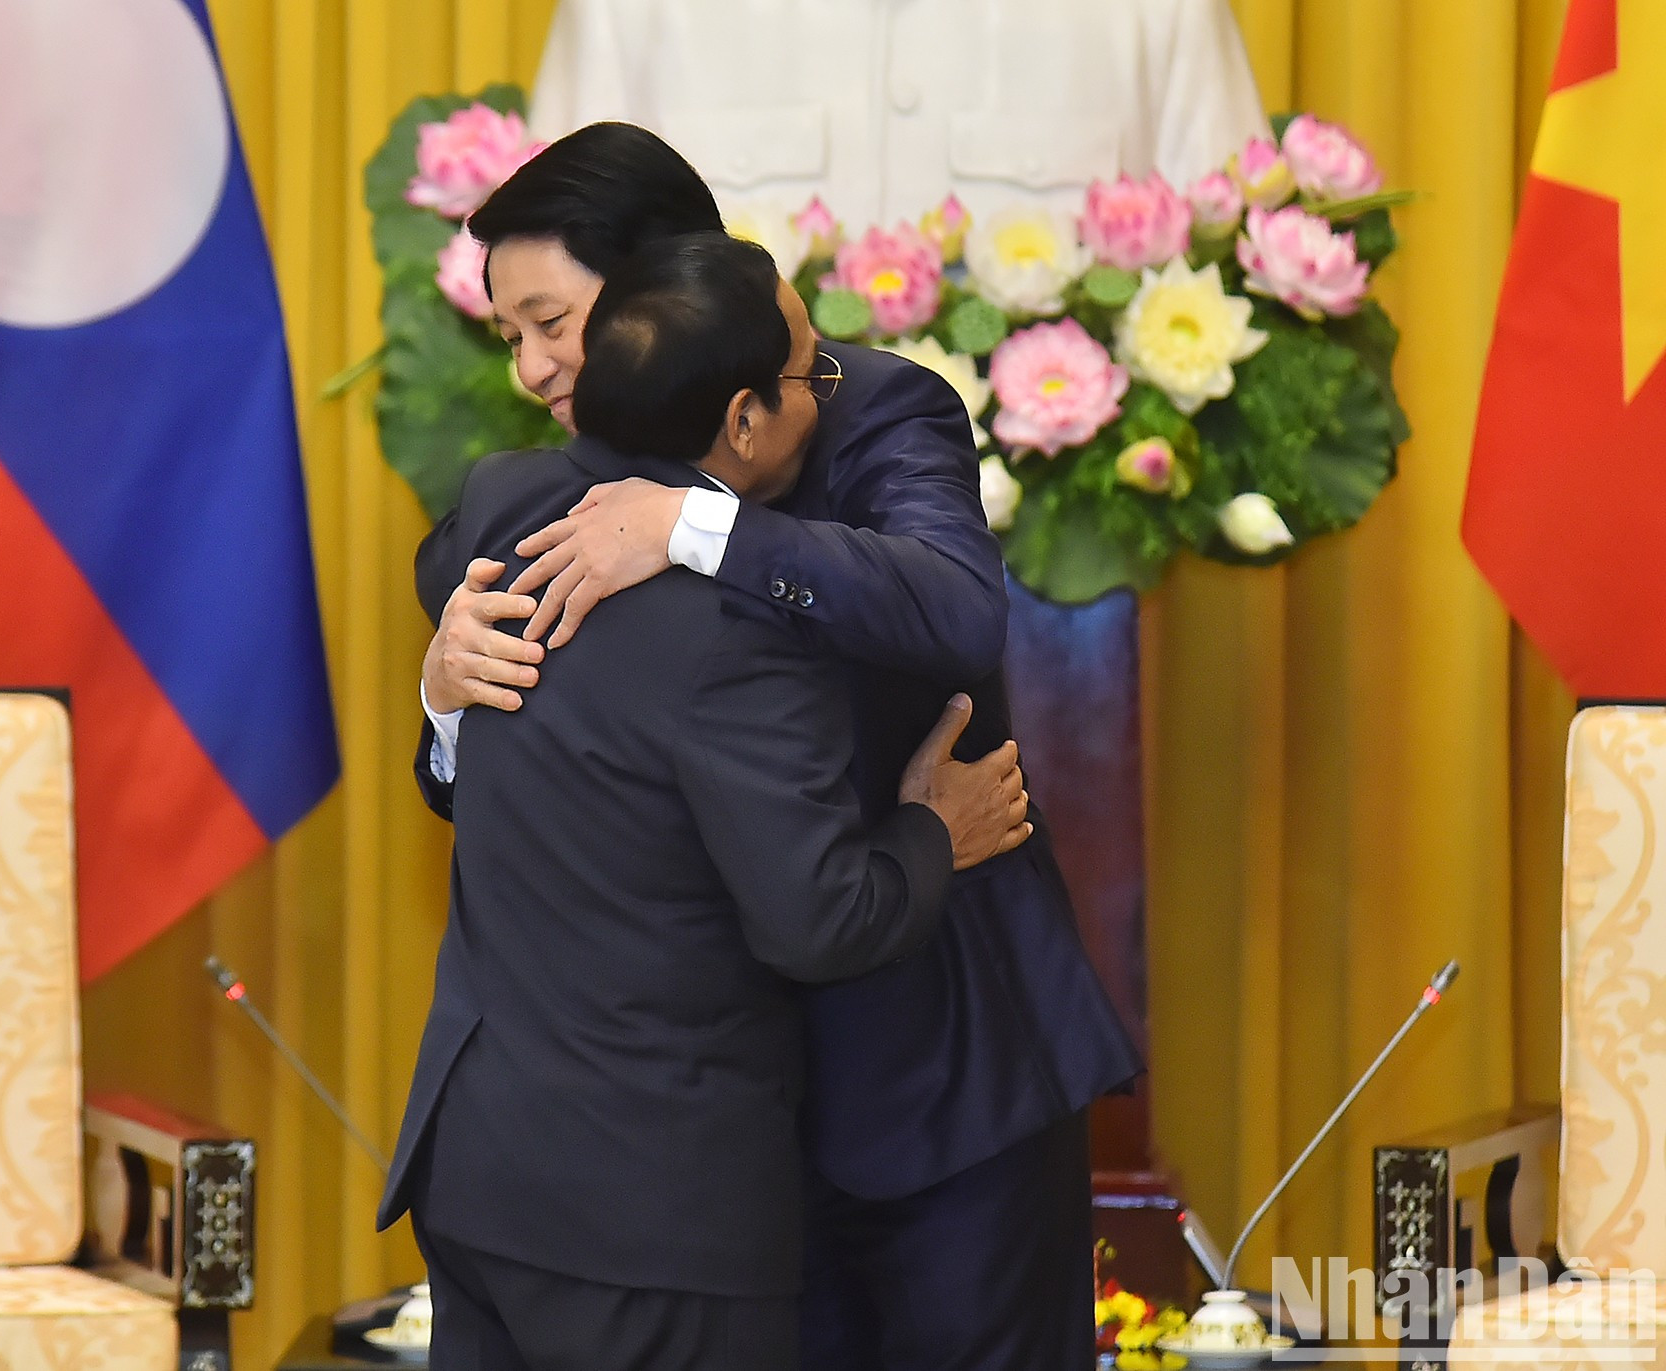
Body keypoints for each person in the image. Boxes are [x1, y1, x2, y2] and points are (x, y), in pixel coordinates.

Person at [415, 123, 1142, 1371]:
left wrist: (700, 529)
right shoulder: (550, 487)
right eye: (511, 337)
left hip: (933, 1076)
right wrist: (446, 688)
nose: (533, 368)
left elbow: (957, 608)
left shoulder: (864, 406)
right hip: (708, 1137)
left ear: (666, 283)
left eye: (552, 322)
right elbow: (465, 588)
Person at [527, 0, 1270, 226]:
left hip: (1030, 575)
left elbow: (1231, 269)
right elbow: (546, 295)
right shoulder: (627, 11)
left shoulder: (1157, 11)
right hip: (705, 565)